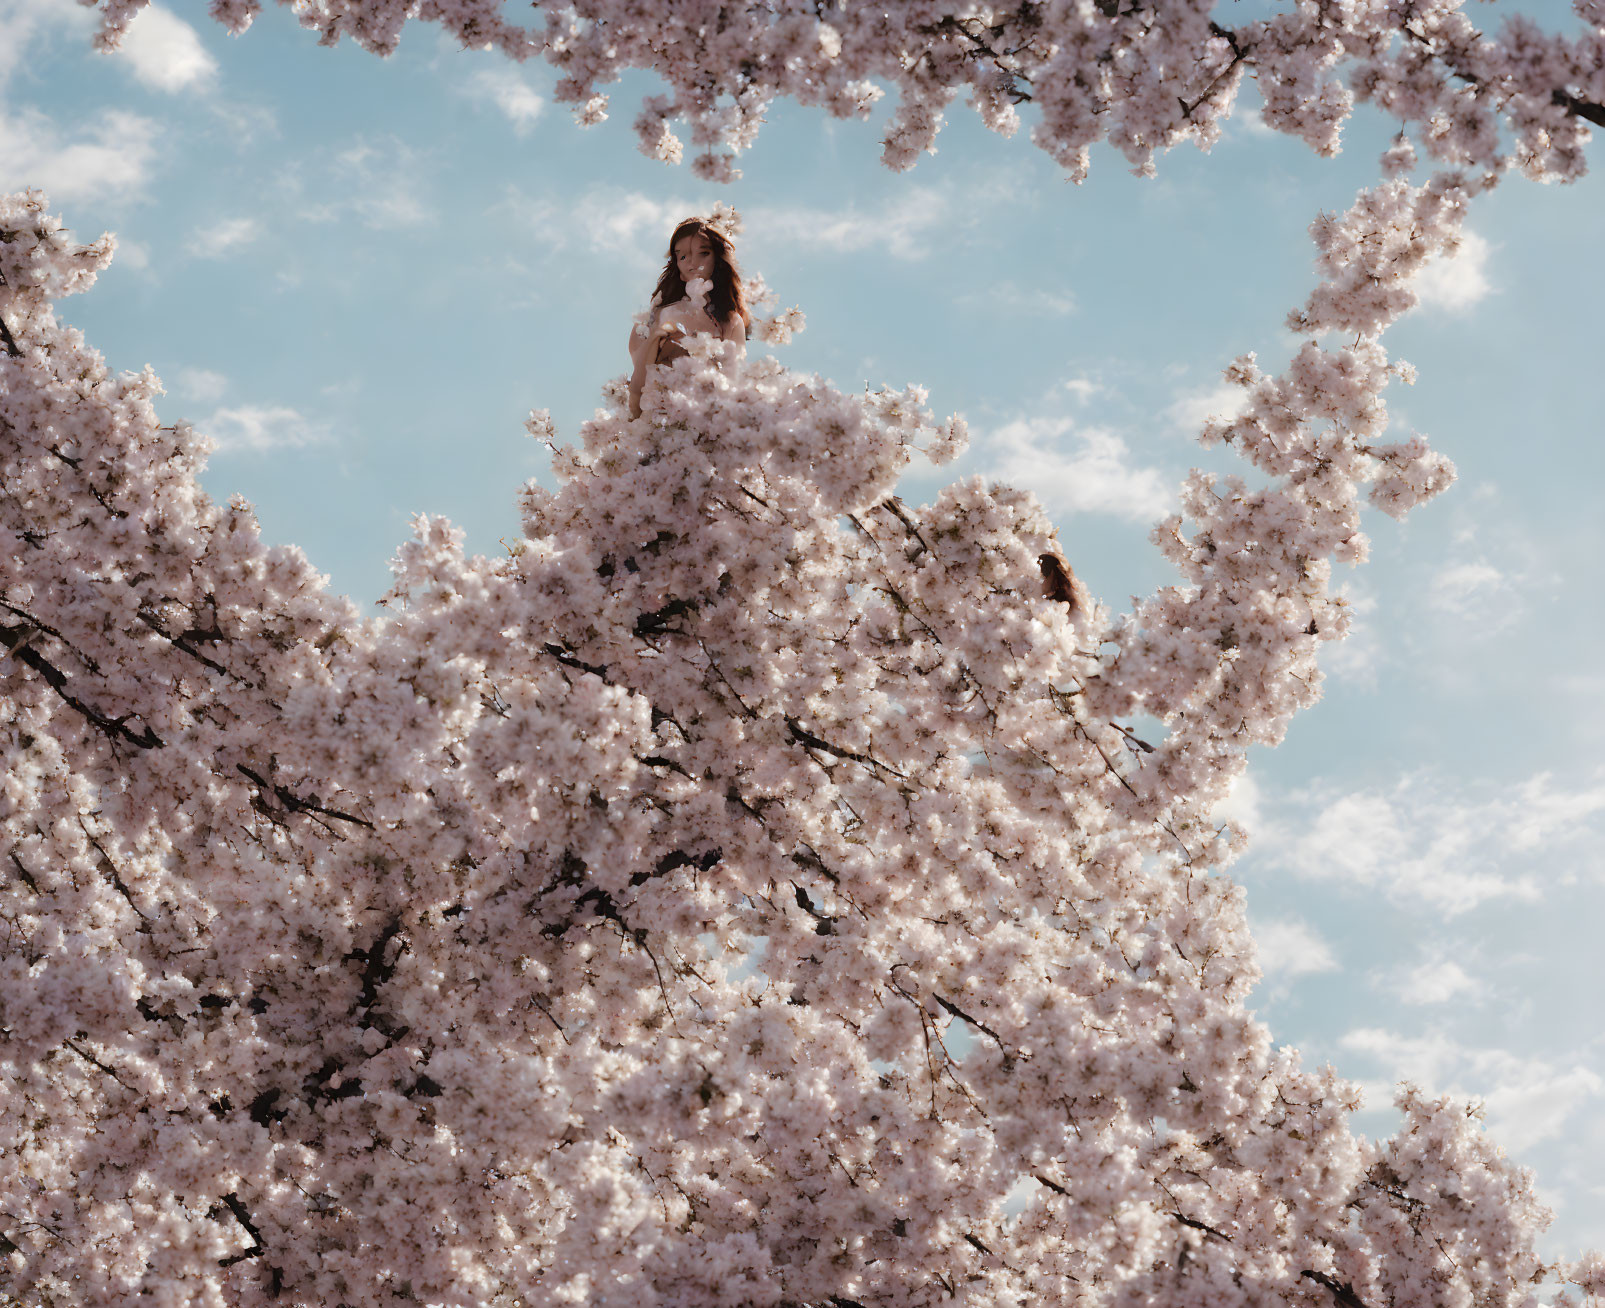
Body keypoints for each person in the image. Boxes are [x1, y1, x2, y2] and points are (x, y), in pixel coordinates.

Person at [627, 217, 751, 419]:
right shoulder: (657, 316)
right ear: (679, 271)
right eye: (683, 257)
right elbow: (639, 384)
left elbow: (733, 379)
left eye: (703, 253)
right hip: (661, 418)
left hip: (709, 420)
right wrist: (657, 340)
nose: (693, 263)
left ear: (718, 261)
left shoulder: (730, 321)